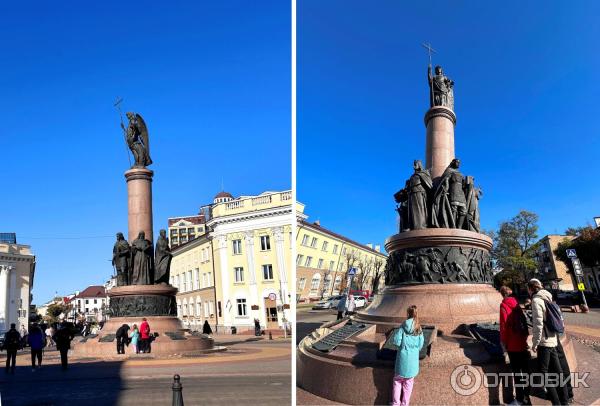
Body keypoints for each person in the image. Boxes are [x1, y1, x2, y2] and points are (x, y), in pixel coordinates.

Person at [529, 279, 568, 405]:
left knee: (543, 373)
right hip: (553, 340)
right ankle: (565, 400)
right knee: (558, 372)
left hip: (544, 343)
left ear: (530, 289)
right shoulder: (548, 298)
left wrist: (535, 343)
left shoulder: (536, 300)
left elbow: (538, 325)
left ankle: (556, 402)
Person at [499, 286, 531, 405]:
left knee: (517, 373)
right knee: (525, 370)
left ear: (502, 294)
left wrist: (503, 342)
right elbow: (524, 322)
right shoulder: (517, 304)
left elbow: (503, 326)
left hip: (512, 344)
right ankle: (528, 395)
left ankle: (519, 399)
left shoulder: (504, 305)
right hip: (522, 342)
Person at [390, 305, 424, 406]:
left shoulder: (403, 326)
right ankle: (405, 404)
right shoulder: (419, 327)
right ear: (416, 314)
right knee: (409, 384)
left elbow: (396, 341)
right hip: (413, 362)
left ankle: (396, 403)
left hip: (402, 360)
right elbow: (420, 344)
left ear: (408, 313)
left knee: (397, 381)